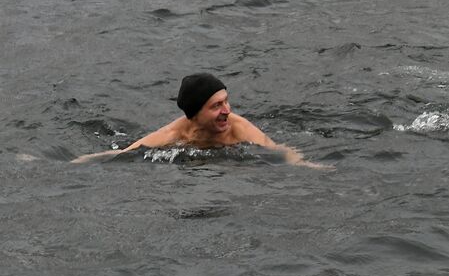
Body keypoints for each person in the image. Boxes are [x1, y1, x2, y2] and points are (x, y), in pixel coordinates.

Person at [72, 73, 330, 168]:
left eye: (226, 101)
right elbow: (122, 154)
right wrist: (73, 163)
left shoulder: (239, 128)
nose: (227, 110)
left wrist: (310, 166)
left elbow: (279, 151)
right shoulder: (172, 136)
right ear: (195, 114)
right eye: (216, 105)